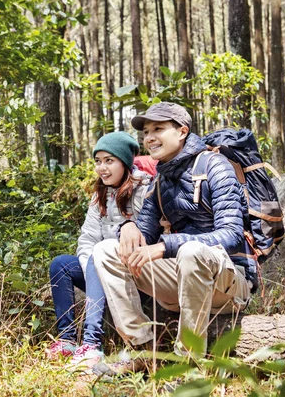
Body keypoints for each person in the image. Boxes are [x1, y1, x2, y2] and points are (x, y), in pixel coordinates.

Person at [92, 102, 257, 372]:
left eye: (158, 129)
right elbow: (144, 235)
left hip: (228, 285)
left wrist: (165, 246)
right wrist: (128, 228)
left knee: (191, 251)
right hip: (183, 282)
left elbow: (231, 234)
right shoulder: (161, 179)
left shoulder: (215, 166)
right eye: (146, 132)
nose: (149, 138)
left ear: (182, 131)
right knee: (106, 250)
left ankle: (188, 364)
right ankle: (143, 350)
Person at [46, 132, 151, 370]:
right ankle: (67, 340)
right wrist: (93, 269)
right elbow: (87, 240)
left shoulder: (144, 191)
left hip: (134, 272)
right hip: (100, 268)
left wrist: (99, 264)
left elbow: (149, 236)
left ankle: (92, 345)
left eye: (109, 161)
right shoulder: (99, 195)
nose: (102, 168)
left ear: (124, 162)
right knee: (60, 264)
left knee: (99, 255)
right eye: (98, 161)